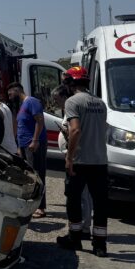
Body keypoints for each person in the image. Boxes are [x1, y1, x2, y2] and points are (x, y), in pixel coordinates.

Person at [57, 66, 109, 256]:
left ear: (70, 83)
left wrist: (70, 158)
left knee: (74, 200)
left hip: (80, 161)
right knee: (100, 203)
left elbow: (75, 130)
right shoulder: (100, 103)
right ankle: (100, 244)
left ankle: (75, 238)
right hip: (100, 160)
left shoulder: (72, 101)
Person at [54, 84, 92, 240]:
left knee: (80, 195)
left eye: (56, 99)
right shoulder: (69, 110)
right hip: (74, 156)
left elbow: (75, 132)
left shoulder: (73, 109)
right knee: (79, 195)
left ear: (64, 97)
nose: (55, 103)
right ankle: (80, 228)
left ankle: (81, 230)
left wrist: (70, 156)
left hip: (76, 158)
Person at [16, 86, 48, 218]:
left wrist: (35, 140)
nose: (9, 95)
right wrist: (19, 146)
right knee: (28, 176)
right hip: (24, 145)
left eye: (10, 92)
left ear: (17, 90)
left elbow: (40, 120)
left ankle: (40, 207)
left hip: (33, 145)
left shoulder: (32, 101)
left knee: (37, 176)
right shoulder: (22, 105)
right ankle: (31, 205)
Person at [0, 92, 19, 156]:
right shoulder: (5, 106)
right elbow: (15, 123)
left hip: (2, 150)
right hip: (11, 147)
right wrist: (12, 138)